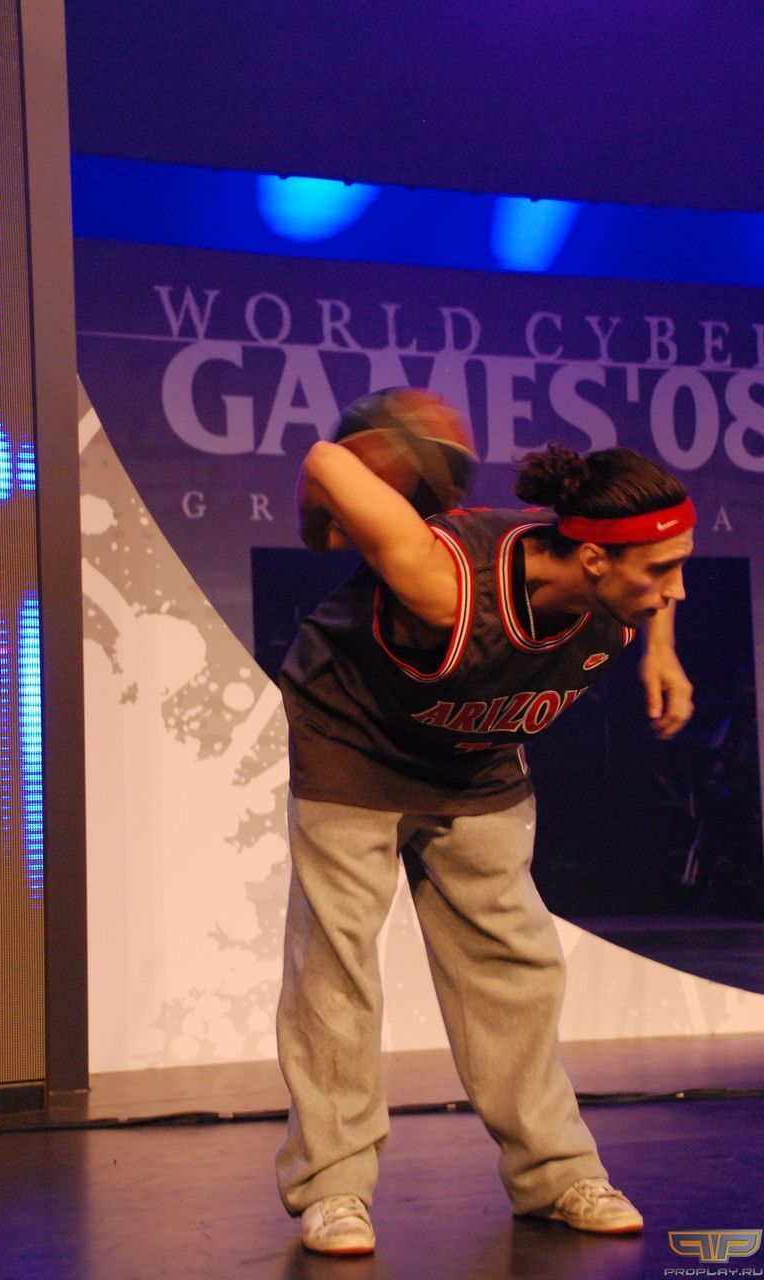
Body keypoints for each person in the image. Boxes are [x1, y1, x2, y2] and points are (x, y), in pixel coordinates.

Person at [276, 430, 695, 1255]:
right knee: (337, 961)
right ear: (594, 559)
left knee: (516, 961)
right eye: (661, 573)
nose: (676, 589)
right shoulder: (444, 581)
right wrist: (317, 526)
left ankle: (556, 1174)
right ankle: (332, 1186)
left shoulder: (621, 590)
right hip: (353, 741)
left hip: (475, 753)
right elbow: (326, 459)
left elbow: (652, 574)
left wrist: (662, 650)